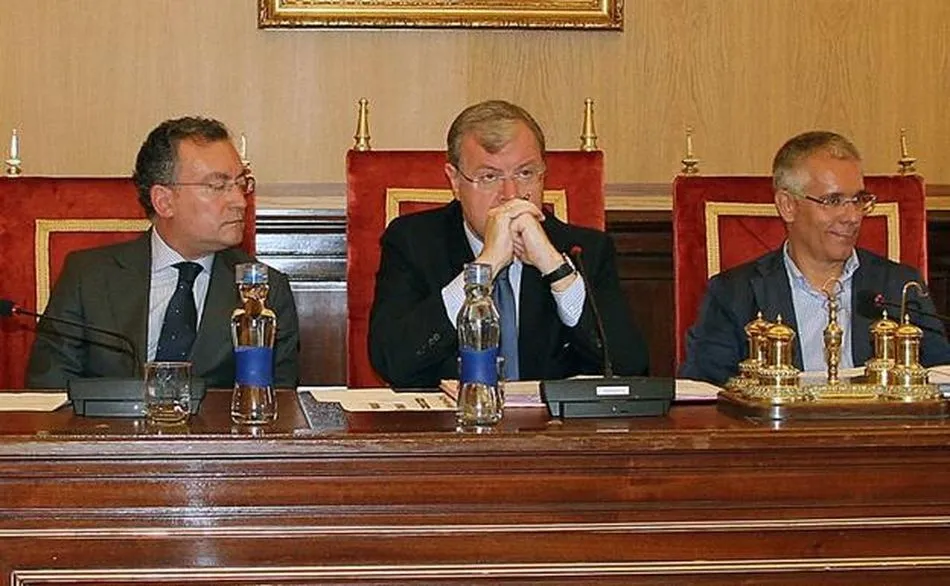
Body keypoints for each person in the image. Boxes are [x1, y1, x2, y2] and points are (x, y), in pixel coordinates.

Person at [369, 99, 648, 387]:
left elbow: (630, 368)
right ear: (454, 181)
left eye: (525, 173)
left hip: (552, 430)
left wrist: (556, 272)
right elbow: (393, 362)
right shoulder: (414, 242)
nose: (510, 194)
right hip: (449, 428)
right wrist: (483, 268)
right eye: (489, 177)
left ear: (543, 174)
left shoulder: (581, 251)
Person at [27, 116, 300, 388]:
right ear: (164, 201)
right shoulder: (88, 279)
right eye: (218, 186)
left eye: (241, 184)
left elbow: (277, 406)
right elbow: (48, 391)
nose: (240, 201)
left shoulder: (265, 291)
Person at [679, 130, 950, 385]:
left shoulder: (899, 287)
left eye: (858, 200)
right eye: (833, 201)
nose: (852, 217)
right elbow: (704, 394)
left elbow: (941, 380)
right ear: (787, 206)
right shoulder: (734, 293)